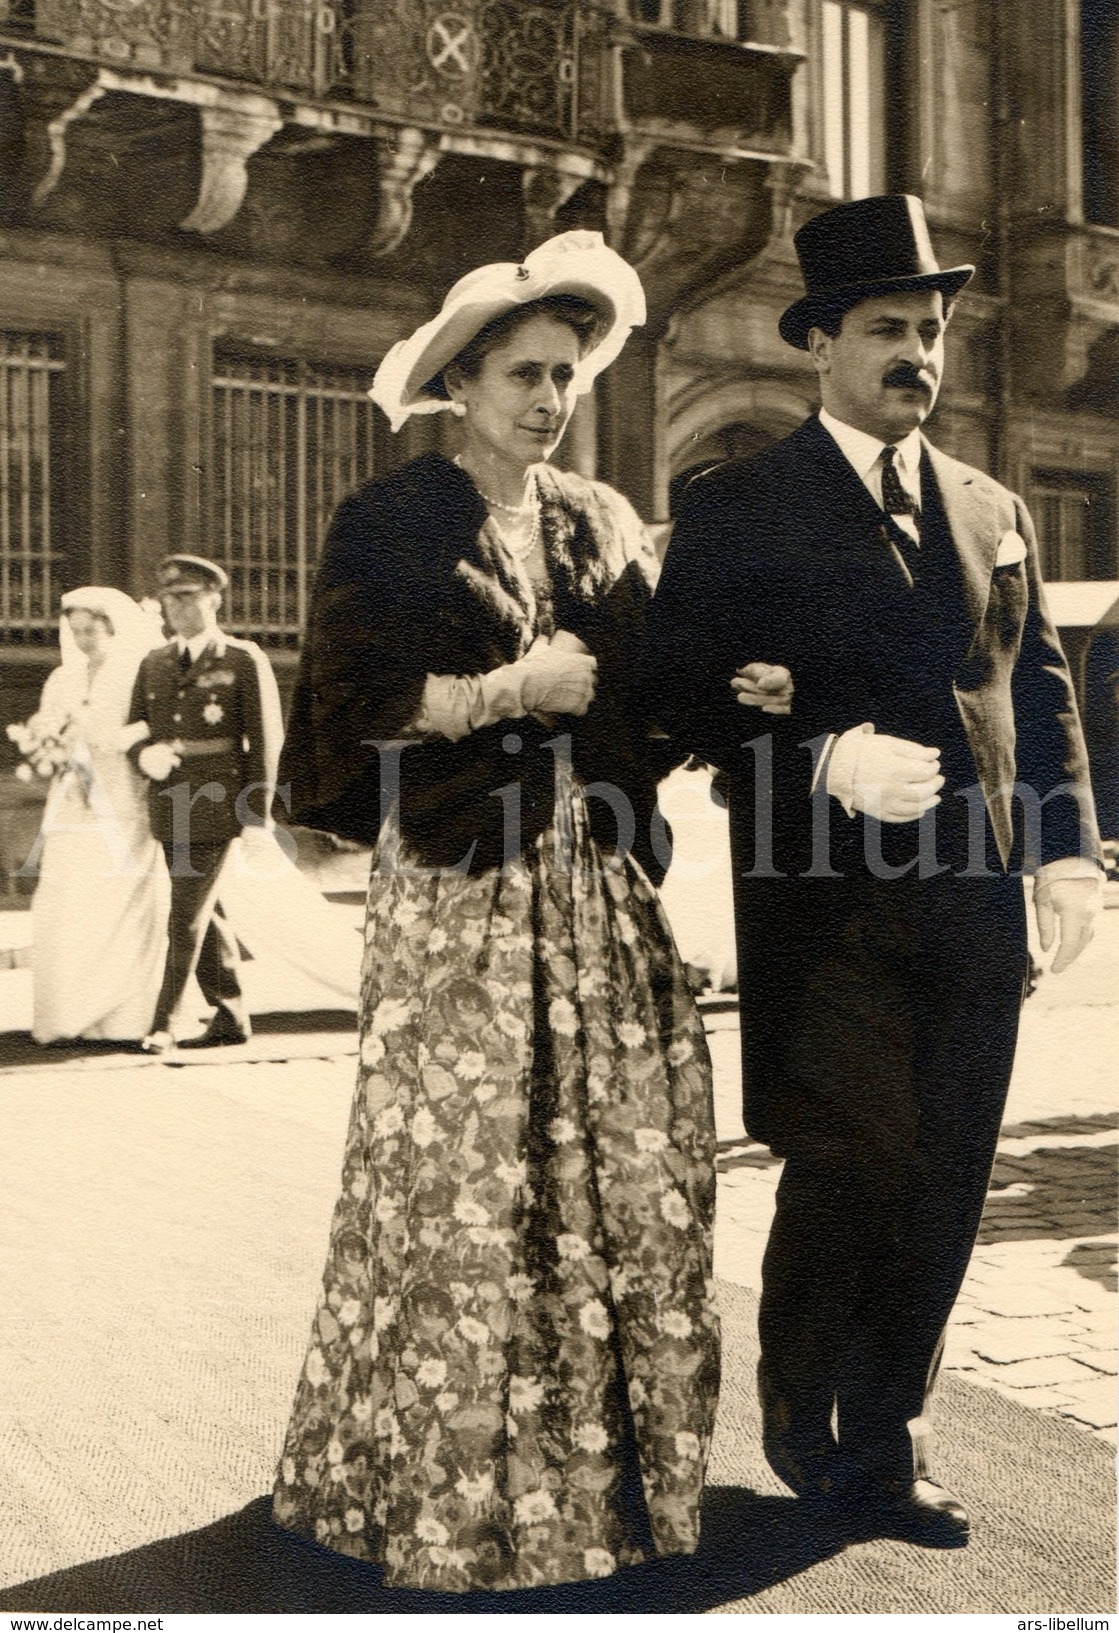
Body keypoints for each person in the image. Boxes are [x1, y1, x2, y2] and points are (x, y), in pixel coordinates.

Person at [271, 231, 724, 1593]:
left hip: (591, 888)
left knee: (613, 1181)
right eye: (522, 373)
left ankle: (595, 1496)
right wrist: (500, 692)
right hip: (461, 891)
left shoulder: (597, 518)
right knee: (467, 1191)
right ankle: (439, 1497)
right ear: (458, 383)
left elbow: (652, 689)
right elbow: (345, 707)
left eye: (565, 374)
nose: (547, 397)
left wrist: (733, 692)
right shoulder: (392, 520)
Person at [647, 195, 1102, 1548]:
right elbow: (673, 692)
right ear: (820, 346)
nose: (916, 352)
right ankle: (807, 1408)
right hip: (820, 902)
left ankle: (885, 1424)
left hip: (971, 902)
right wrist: (817, 751)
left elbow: (1035, 684)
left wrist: (1064, 848)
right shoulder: (734, 504)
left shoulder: (987, 504)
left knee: (947, 1166)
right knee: (853, 1154)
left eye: (931, 329)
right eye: (887, 328)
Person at [127, 554, 283, 1053]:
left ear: (214, 600)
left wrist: (258, 816)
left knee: (185, 914)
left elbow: (265, 741)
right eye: (170, 599)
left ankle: (164, 1021)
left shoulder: (241, 659)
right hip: (169, 800)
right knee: (204, 907)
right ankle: (230, 1014)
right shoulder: (153, 662)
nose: (176, 607)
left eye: (188, 597)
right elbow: (135, 729)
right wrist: (142, 753)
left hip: (218, 801)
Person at [23, 587, 168, 1044]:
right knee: (68, 892)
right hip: (73, 798)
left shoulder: (134, 673)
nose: (84, 639)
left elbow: (153, 722)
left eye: (92, 630)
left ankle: (124, 1014)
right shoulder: (62, 679)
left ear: (111, 628)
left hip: (122, 792)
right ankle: (68, 1012)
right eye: (77, 631)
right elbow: (46, 722)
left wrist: (118, 738)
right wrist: (48, 742)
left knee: (119, 891)